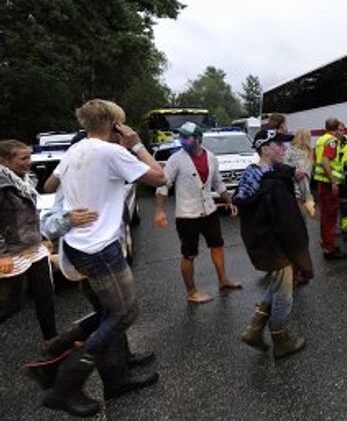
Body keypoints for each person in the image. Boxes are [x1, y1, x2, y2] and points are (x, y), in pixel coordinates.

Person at [41, 99, 166, 417]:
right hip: (100, 248)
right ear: (114, 124)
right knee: (124, 314)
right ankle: (64, 383)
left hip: (78, 245)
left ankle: (115, 378)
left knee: (109, 314)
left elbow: (51, 184)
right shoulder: (112, 152)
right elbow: (160, 177)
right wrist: (136, 144)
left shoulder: (76, 150)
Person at [27, 188, 157, 400]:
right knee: (114, 315)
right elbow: (49, 225)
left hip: (110, 258)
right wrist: (69, 219)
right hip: (91, 263)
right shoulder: (74, 186)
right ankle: (113, 381)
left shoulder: (106, 180)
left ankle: (122, 359)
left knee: (113, 313)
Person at [235, 128, 314, 359]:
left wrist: (293, 173)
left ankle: (254, 329)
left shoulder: (277, 170)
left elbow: (281, 174)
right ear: (265, 148)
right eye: (278, 145)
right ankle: (281, 338)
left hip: (282, 240)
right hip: (270, 243)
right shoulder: (253, 175)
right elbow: (243, 202)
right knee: (285, 293)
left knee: (278, 284)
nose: (284, 149)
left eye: (284, 144)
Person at [154, 121, 241, 304]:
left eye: (186, 137)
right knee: (189, 254)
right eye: (181, 136)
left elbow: (217, 183)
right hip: (187, 215)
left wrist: (229, 201)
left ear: (198, 138)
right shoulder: (176, 159)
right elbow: (164, 184)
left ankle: (223, 280)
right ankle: (192, 292)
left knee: (217, 245)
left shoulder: (210, 157)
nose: (181, 140)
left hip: (209, 210)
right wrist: (159, 210)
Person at [0, 140, 57, 346]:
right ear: (5, 160)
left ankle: (52, 342)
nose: (29, 162)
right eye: (23, 158)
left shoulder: (22, 179)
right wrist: (2, 254)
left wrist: (42, 237)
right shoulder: (2, 182)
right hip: (12, 251)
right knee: (11, 304)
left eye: (29, 157)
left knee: (45, 296)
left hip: (33, 247)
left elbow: (30, 214)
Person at [314, 117, 346, 260]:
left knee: (326, 216)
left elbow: (316, 159)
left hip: (322, 182)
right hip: (328, 183)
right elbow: (326, 160)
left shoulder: (321, 139)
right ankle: (329, 249)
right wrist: (333, 181)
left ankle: (328, 243)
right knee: (330, 216)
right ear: (336, 127)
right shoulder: (331, 141)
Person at [285, 128, 316, 218]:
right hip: (296, 190)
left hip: (299, 189)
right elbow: (302, 174)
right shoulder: (303, 152)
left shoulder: (308, 151)